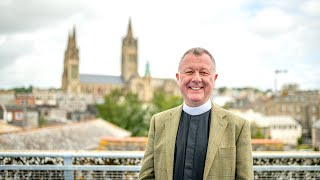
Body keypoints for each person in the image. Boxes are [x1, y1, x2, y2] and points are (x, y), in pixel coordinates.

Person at [139, 47, 253, 180]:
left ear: (214, 78)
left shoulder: (238, 126)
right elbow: (146, 176)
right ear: (178, 78)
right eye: (189, 72)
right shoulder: (158, 122)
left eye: (204, 72)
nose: (196, 78)